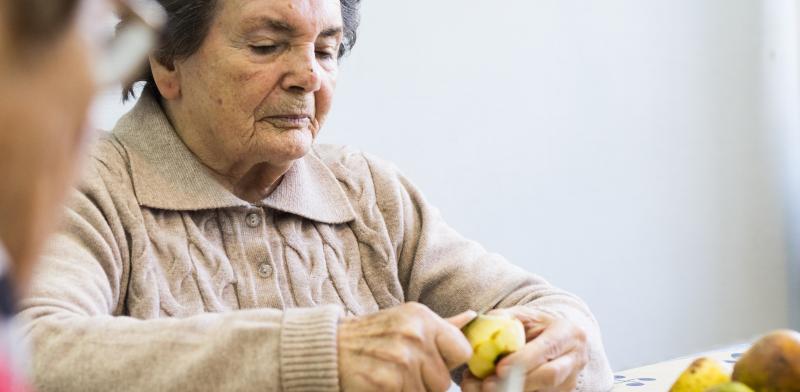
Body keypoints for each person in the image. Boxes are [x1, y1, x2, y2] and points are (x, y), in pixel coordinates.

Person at [18, 0, 614, 390]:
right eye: (266, 46)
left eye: (326, 50)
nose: (310, 76)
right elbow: (31, 350)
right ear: (167, 63)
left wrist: (565, 336)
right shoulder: (86, 181)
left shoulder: (366, 190)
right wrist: (320, 352)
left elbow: (535, 300)